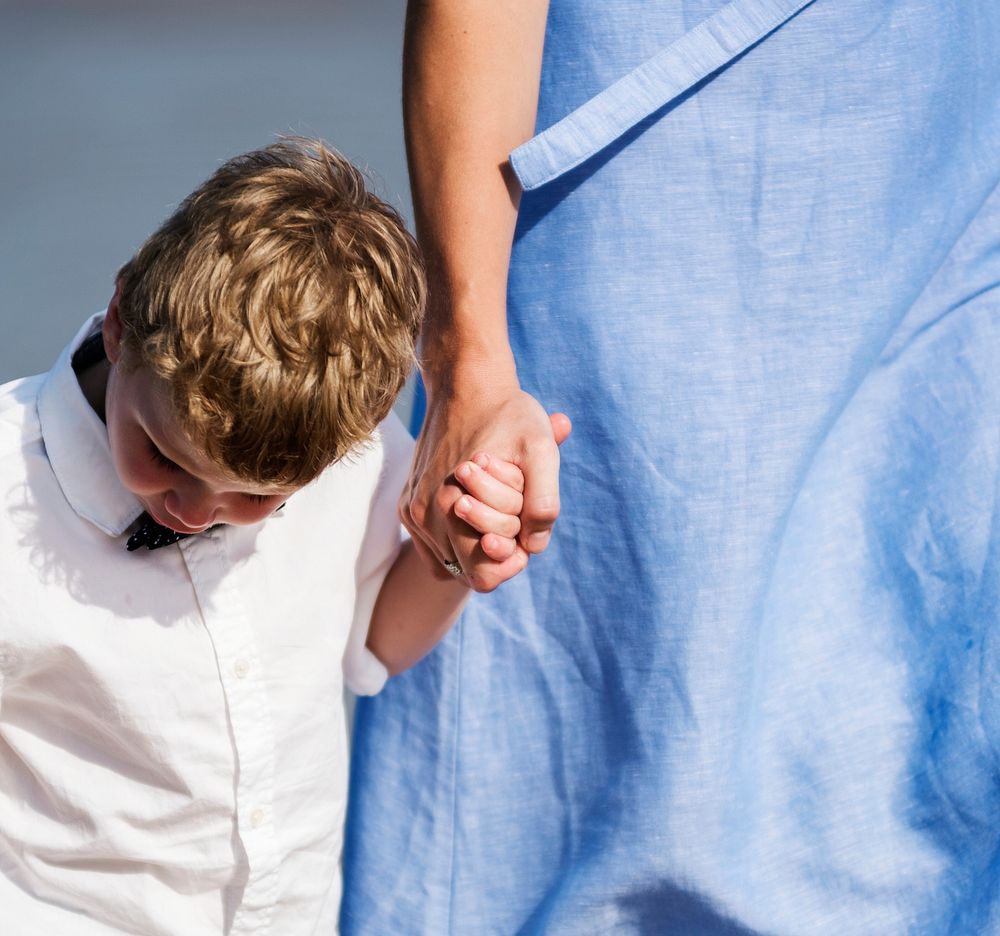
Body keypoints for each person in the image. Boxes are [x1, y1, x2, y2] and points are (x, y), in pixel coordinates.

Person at [343, 1, 1000, 933]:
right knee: (614, 752)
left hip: (961, 186)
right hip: (651, 176)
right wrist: (470, 355)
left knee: (933, 773)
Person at [0, 138, 527, 935]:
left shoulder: (349, 451)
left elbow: (375, 643)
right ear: (120, 320)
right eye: (162, 456)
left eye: (256, 497)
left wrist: (450, 559)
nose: (194, 509)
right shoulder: (12, 497)